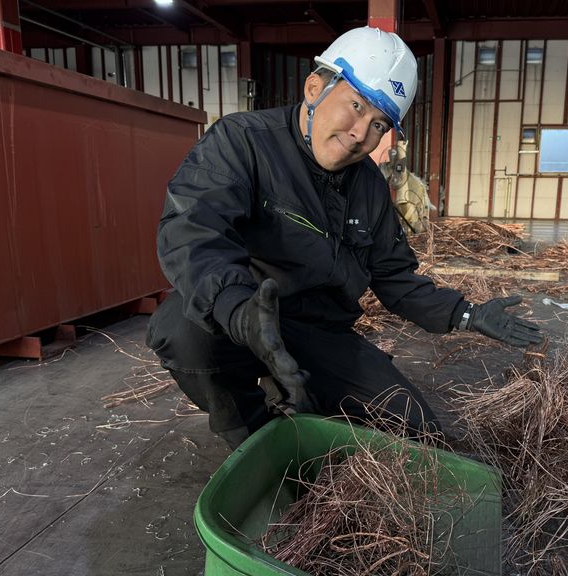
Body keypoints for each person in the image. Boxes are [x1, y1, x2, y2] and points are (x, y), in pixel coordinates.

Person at [146, 27, 542, 450]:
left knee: (417, 432)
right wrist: (238, 311)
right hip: (245, 318)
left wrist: (465, 315)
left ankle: (305, 402)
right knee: (182, 329)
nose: (360, 133)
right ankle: (255, 432)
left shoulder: (369, 185)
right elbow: (194, 230)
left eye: (379, 124)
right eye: (355, 105)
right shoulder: (242, 142)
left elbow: (394, 277)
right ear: (315, 87)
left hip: (322, 333)